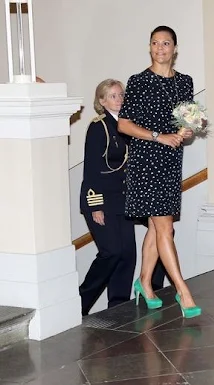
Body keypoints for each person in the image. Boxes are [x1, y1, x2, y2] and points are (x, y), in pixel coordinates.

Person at [118, 25, 201, 319]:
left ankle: (143, 282)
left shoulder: (185, 82)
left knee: (157, 226)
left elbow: (188, 121)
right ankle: (182, 290)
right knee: (165, 227)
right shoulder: (139, 81)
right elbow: (124, 125)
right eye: (155, 43)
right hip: (146, 160)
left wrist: (184, 132)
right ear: (150, 47)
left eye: (166, 43)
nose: (160, 48)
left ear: (174, 49)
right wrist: (159, 136)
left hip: (170, 161)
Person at [78, 79, 136, 316]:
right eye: (113, 96)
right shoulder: (98, 127)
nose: (119, 99)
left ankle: (119, 305)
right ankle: (80, 302)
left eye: (121, 94)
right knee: (111, 251)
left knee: (127, 254)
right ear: (101, 101)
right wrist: (96, 206)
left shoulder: (128, 124)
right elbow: (91, 170)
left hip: (123, 199)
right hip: (101, 200)